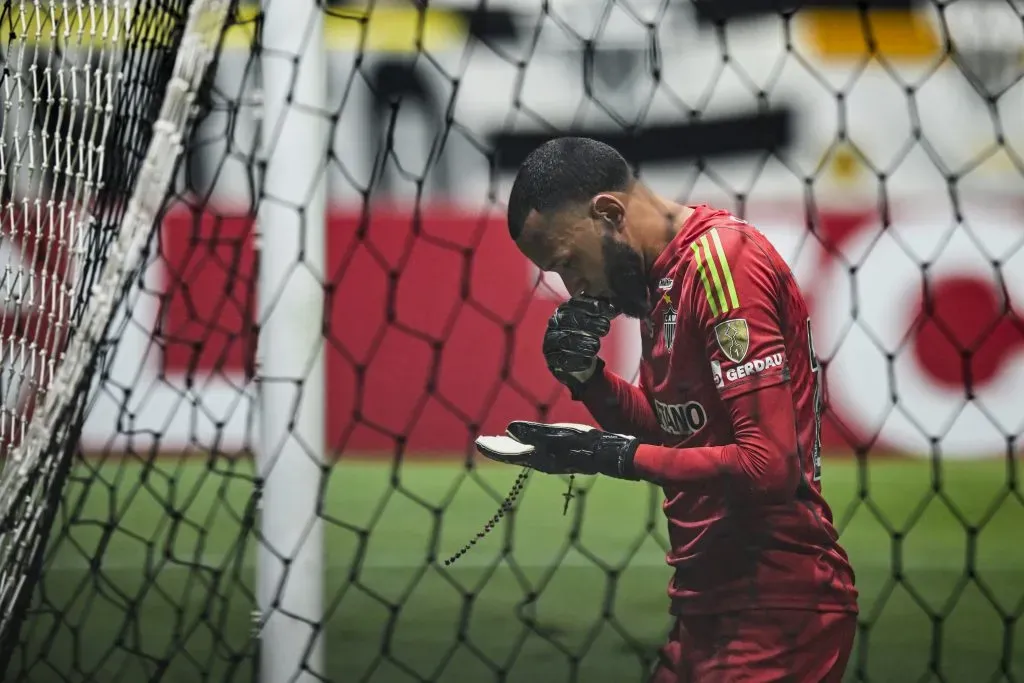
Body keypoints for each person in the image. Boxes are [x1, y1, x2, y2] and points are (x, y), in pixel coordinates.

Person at [475, 137, 859, 682]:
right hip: (709, 610)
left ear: (609, 213)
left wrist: (612, 456)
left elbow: (768, 466)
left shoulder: (723, 265)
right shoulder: (663, 280)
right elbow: (680, 435)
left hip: (776, 616)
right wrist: (590, 383)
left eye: (567, 263)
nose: (573, 287)